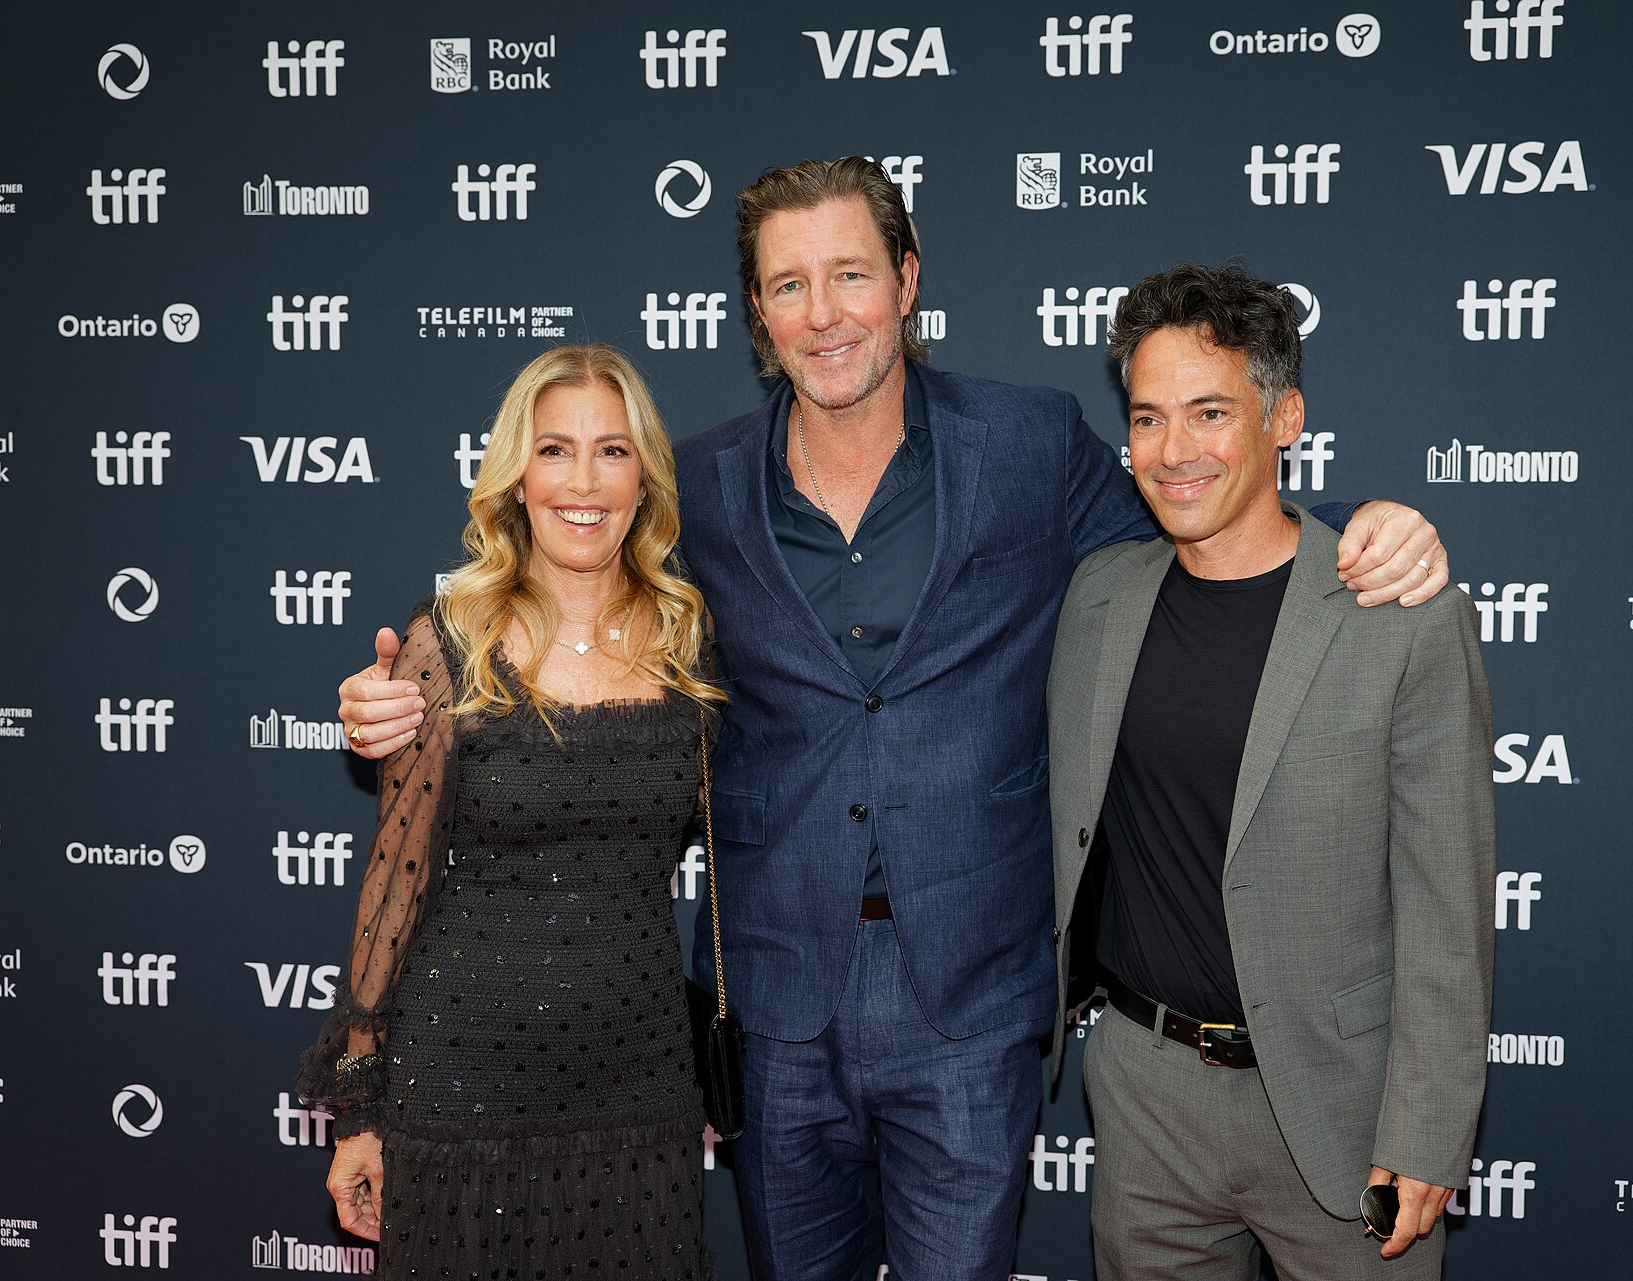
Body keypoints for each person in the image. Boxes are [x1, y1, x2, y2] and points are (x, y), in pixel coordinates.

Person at [338, 158, 1452, 1279]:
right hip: (776, 1001)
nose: (821, 316)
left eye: (849, 275)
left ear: (908, 280)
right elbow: (573, 584)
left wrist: (1365, 523)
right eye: (786, 286)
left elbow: (1207, 523)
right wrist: (412, 691)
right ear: (757, 311)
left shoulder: (1029, 444)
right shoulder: (705, 485)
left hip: (971, 998)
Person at [1047, 263, 1494, 1280]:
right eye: (1149, 418)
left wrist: (1426, 1132)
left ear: (1284, 416)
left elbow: (1447, 906)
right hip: (1146, 1099)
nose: (1175, 451)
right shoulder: (1099, 597)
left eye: (1210, 412)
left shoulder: (1401, 616)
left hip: (1341, 1103)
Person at [299, 344, 725, 1280]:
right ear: (515, 477)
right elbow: (392, 890)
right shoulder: (448, 641)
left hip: (639, 1085)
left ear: (645, 476)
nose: (584, 481)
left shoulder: (692, 640)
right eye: (555, 450)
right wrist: (361, 1113)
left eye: (613, 451)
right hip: (461, 1086)